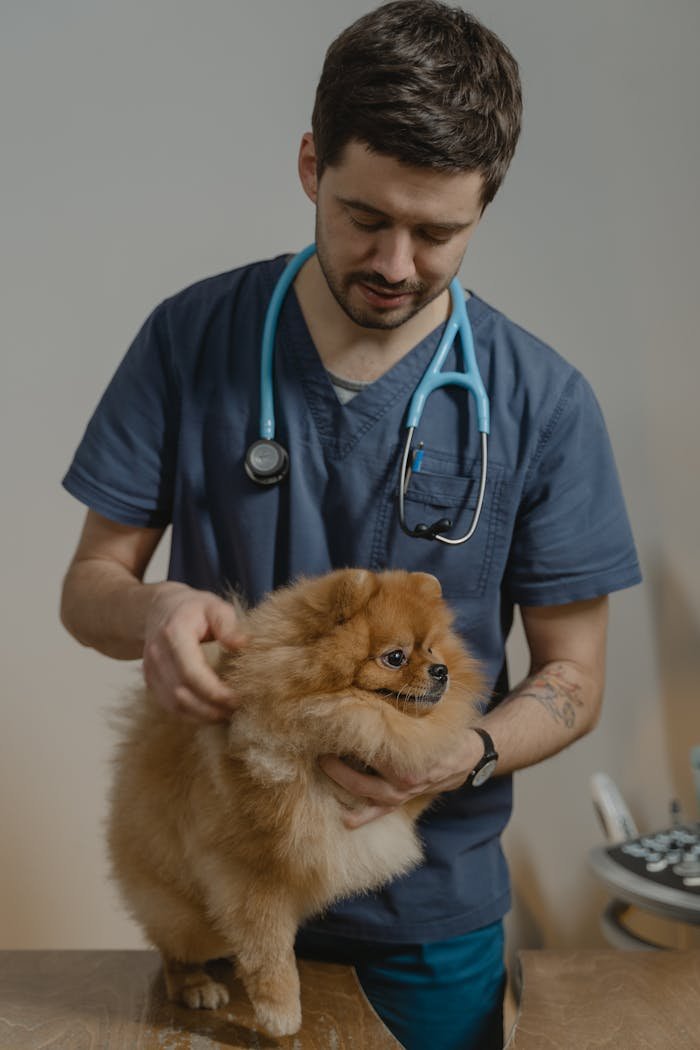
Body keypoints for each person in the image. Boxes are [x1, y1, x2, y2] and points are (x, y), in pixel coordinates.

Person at [60, 3, 641, 1048]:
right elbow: (89, 583)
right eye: (364, 215)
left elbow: (575, 678)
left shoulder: (542, 401)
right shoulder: (193, 340)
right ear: (307, 166)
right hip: (223, 868)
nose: (396, 262)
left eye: (437, 231)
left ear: (484, 205)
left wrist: (457, 754)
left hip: (425, 910)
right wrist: (152, 608)